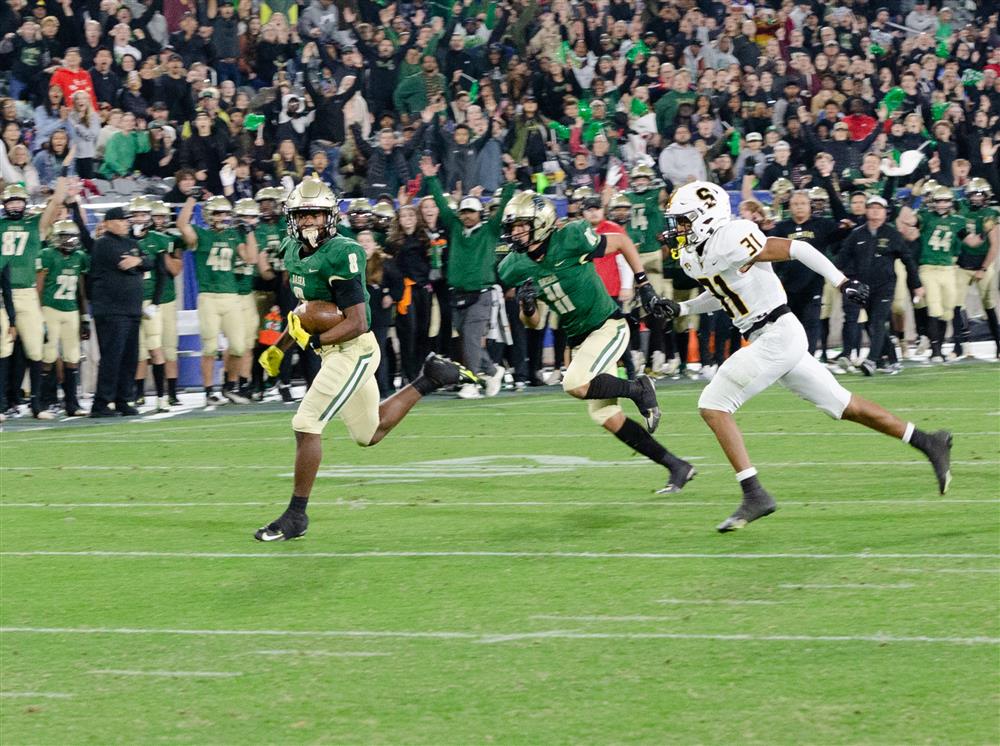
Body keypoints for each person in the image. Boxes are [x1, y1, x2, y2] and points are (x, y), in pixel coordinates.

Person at [657, 181, 953, 532]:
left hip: (778, 332)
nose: (677, 229)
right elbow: (723, 291)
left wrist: (841, 282)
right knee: (844, 405)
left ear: (706, 216)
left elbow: (796, 248)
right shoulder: (693, 254)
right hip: (768, 336)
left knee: (713, 405)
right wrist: (681, 306)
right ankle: (929, 441)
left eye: (683, 220)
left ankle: (754, 494)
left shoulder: (731, 236)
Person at [253, 176, 478, 541]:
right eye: (302, 215)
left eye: (315, 214)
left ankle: (296, 515)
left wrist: (313, 341)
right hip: (333, 349)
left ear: (330, 216)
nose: (308, 221)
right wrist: (281, 345)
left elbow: (357, 322)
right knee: (368, 433)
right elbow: (303, 310)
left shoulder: (344, 251)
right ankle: (431, 378)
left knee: (306, 421)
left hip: (353, 349)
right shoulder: (293, 252)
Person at [498, 190, 695, 494]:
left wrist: (643, 284)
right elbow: (532, 323)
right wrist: (527, 308)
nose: (515, 232)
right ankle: (676, 465)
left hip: (607, 326)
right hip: (577, 338)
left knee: (574, 384)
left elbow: (621, 242)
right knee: (605, 415)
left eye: (522, 225)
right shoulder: (515, 265)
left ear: (542, 222)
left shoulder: (571, 237)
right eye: (512, 227)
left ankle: (639, 388)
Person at [421, 157, 515, 398]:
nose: (466, 215)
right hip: (458, 294)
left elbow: (503, 208)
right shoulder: (455, 228)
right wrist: (431, 178)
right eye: (463, 211)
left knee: (472, 338)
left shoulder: (489, 231)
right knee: (467, 341)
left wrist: (510, 184)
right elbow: (442, 205)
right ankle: (493, 371)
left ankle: (471, 383)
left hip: (482, 294)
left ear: (480, 213)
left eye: (471, 211)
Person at [176, 195, 258, 405]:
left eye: (224, 213)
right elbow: (181, 224)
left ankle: (230, 387)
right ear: (208, 215)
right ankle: (208, 391)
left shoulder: (233, 235)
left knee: (239, 347)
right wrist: (192, 199)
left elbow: (251, 258)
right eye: (217, 213)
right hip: (209, 297)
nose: (222, 217)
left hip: (231, 296)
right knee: (210, 348)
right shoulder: (201, 235)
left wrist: (249, 233)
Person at [0, 179, 66, 420]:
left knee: (35, 348)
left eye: (19, 201)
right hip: (0, 293)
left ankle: (37, 405)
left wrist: (60, 187)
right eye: (11, 201)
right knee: (2, 348)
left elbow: (55, 205)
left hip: (27, 293)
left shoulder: (35, 225)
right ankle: (2, 405)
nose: (15, 206)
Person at [837, 196, 924, 375]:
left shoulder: (892, 234)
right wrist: (837, 279)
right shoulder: (857, 234)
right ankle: (892, 360)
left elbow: (908, 260)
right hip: (863, 287)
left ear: (886, 212)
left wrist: (916, 284)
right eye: (872, 207)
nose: (875, 211)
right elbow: (843, 258)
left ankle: (872, 360)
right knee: (871, 324)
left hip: (885, 286)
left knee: (877, 322)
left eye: (879, 208)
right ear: (866, 211)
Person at [88, 207, 152, 417]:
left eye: (127, 220)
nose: (126, 223)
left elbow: (150, 262)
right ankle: (101, 403)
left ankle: (124, 399)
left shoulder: (131, 243)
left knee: (129, 358)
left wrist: (139, 261)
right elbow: (125, 265)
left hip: (131, 309)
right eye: (121, 220)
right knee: (112, 357)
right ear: (108, 223)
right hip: (111, 309)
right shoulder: (103, 244)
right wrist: (137, 263)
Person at [36, 219, 89, 416]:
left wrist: (84, 317)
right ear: (56, 238)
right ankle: (41, 402)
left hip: (71, 310)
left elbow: (81, 291)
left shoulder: (80, 257)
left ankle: (72, 404)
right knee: (48, 355)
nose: (69, 240)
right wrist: (38, 314)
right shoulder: (47, 255)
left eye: (72, 236)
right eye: (65, 236)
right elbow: (39, 288)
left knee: (72, 357)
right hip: (51, 308)